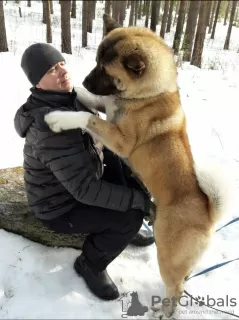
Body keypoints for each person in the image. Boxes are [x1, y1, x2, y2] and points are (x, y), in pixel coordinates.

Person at [14, 43, 155, 301]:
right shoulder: (50, 126)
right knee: (131, 215)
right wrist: (139, 202)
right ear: (38, 82)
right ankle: (90, 264)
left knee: (132, 179)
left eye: (60, 64)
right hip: (59, 206)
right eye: (50, 70)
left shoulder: (72, 96)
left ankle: (128, 216)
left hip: (84, 173)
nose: (60, 71)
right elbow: (85, 190)